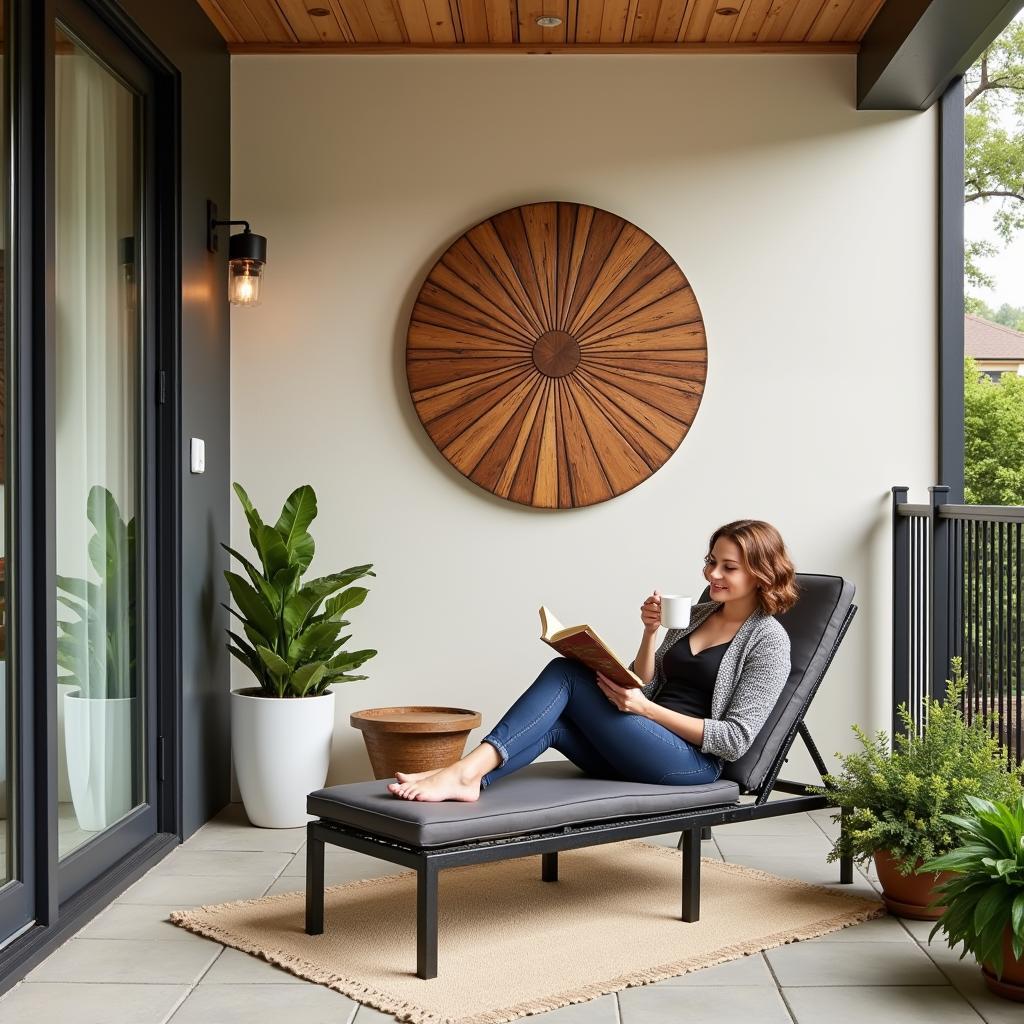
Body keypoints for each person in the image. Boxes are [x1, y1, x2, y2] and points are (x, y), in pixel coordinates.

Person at [388, 519, 797, 803]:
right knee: (556, 724)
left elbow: (733, 739)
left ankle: (462, 772)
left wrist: (646, 710)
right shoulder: (696, 615)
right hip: (643, 738)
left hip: (690, 764)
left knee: (566, 676)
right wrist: (650, 631)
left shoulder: (768, 641)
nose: (712, 575)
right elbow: (646, 685)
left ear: (761, 573)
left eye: (728, 567)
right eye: (710, 562)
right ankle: (470, 776)